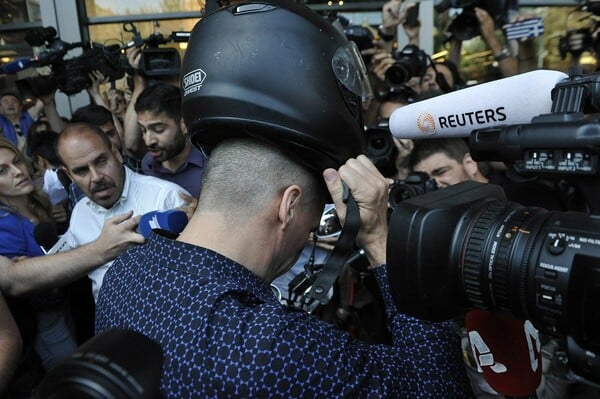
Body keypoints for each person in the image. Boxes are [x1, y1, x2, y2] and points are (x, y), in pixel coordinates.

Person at [96, 2, 472, 397]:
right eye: (313, 222)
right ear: (288, 205)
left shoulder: (125, 273)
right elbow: (439, 388)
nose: (310, 232)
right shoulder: (273, 346)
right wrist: (379, 239)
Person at [55, 122, 193, 301]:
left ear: (116, 153)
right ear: (69, 175)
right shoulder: (79, 213)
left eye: (101, 161)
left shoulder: (166, 197)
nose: (96, 176)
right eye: (81, 171)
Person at [135, 83, 207, 198]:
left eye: (158, 129)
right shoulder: (147, 165)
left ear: (184, 124)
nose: (148, 141)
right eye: (143, 130)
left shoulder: (211, 164)